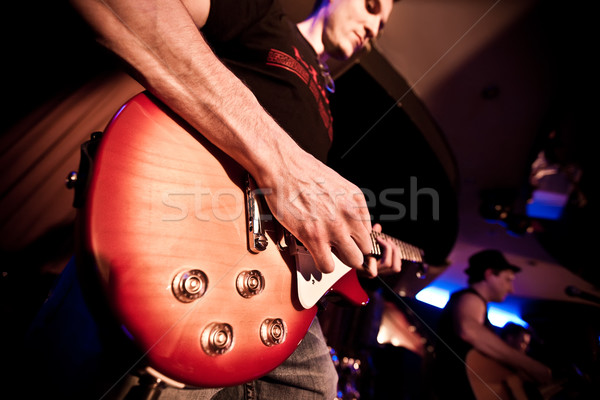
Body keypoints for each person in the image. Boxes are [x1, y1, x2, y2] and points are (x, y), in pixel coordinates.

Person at [18, 0, 404, 399]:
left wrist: (353, 247)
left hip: (270, 295)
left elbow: (292, 216)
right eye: (373, 6)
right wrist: (284, 163)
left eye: (382, 25)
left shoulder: (327, 109)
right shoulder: (266, 17)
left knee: (320, 387)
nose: (374, 28)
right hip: (183, 243)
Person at [431, 249, 552, 400]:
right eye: (508, 280)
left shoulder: (475, 302)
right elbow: (468, 330)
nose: (511, 289)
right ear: (489, 274)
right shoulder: (470, 298)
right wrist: (528, 365)